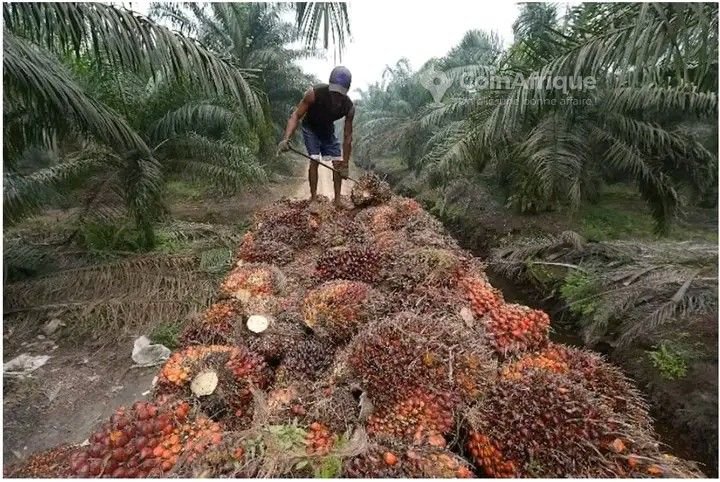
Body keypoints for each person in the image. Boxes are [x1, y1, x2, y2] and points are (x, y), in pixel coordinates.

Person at [277, 66, 355, 207]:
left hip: (327, 130)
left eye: (340, 94)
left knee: (337, 162)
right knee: (314, 159)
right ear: (330, 87)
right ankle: (313, 199)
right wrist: (286, 138)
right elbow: (296, 115)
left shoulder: (348, 107)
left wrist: (346, 164)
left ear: (346, 92)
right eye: (334, 93)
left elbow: (348, 136)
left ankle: (337, 201)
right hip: (310, 128)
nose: (336, 97)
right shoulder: (314, 93)